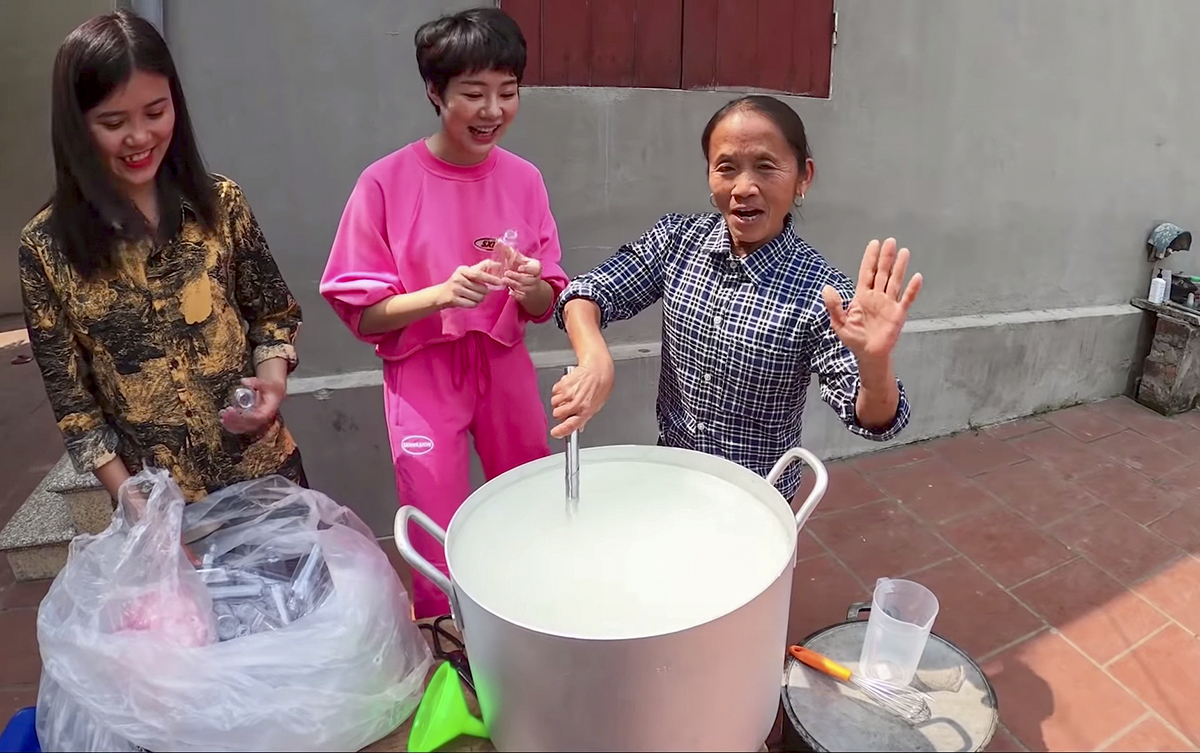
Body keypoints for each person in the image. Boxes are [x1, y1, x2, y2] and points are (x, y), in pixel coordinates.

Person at [319, 6, 568, 619]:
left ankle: (534, 620)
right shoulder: (384, 183)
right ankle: (446, 641)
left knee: (527, 499)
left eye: (508, 92)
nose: (493, 110)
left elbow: (548, 300)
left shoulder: (525, 180)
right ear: (435, 91)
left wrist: (530, 285)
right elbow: (363, 315)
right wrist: (440, 294)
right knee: (434, 523)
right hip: (423, 372)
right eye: (474, 94)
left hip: (503, 365)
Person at [550, 95, 922, 500]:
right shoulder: (677, 241)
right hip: (672, 476)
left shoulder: (823, 294)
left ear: (803, 177)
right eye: (726, 167)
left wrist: (874, 363)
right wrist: (595, 359)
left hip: (755, 501)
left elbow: (874, 419)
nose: (744, 188)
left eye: (766, 166)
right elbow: (586, 292)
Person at [18, 10, 306, 506]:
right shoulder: (46, 248)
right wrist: (141, 513)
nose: (140, 137)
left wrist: (271, 386)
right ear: (76, 126)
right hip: (159, 501)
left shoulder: (221, 204)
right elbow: (76, 409)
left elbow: (273, 318)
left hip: (264, 476)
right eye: (113, 122)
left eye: (156, 112)